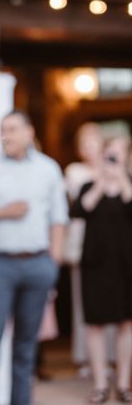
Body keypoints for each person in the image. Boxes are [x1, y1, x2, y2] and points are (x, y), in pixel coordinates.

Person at [0, 111, 68, 405]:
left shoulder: (49, 169)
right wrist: (4, 212)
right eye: (3, 130)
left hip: (38, 265)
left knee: (27, 344)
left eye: (13, 129)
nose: (7, 136)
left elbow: (58, 220)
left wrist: (53, 266)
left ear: (29, 132)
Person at [70, 134, 132, 403]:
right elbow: (80, 210)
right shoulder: (88, 185)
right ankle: (99, 383)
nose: (113, 159)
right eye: (110, 154)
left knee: (127, 323)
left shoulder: (130, 185)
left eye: (119, 154)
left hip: (126, 266)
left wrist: (121, 177)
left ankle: (123, 383)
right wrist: (101, 180)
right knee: (94, 325)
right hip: (95, 265)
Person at [64, 122, 105, 373]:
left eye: (95, 140)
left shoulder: (117, 170)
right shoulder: (75, 172)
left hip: (111, 245)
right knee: (85, 304)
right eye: (86, 142)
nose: (92, 147)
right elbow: (79, 203)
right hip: (83, 245)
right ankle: (87, 357)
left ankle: (111, 358)